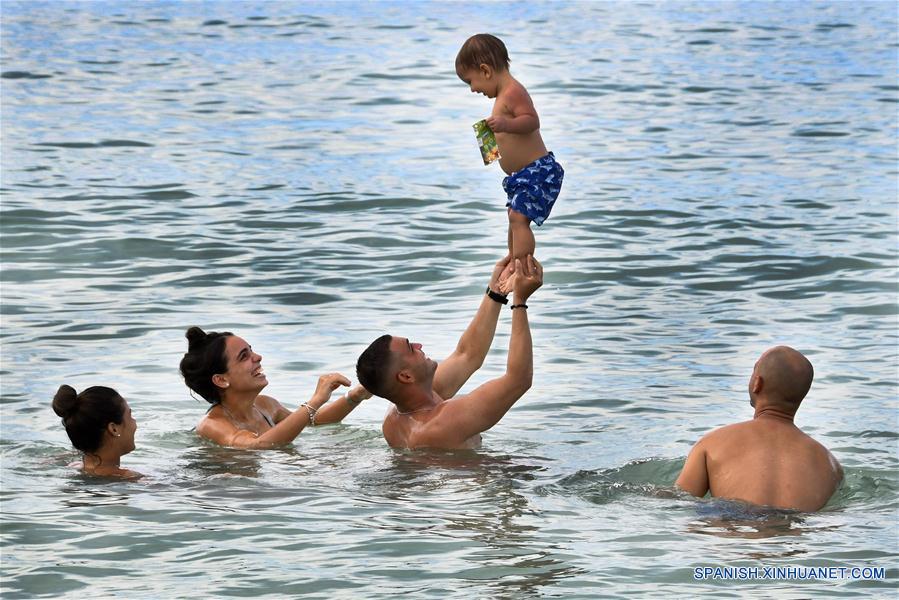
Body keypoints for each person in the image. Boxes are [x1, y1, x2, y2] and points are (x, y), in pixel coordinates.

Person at [356, 254, 541, 450]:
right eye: (411, 348)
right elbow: (518, 380)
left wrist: (496, 290)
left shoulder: (395, 417)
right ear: (406, 376)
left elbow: (468, 354)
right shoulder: (441, 424)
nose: (419, 346)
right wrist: (520, 301)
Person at [675, 346, 843, 512]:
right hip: (794, 534)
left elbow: (679, 501)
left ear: (757, 383)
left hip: (735, 530)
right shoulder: (831, 465)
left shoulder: (711, 444)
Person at [456, 33, 564, 262]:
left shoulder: (513, 91)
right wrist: (490, 142)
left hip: (538, 171)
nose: (473, 89)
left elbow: (532, 121)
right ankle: (514, 258)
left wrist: (506, 124)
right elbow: (506, 142)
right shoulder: (500, 100)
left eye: (470, 81)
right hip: (522, 176)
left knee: (518, 217)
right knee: (513, 216)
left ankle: (522, 265)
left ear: (485, 71)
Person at [179, 327, 370, 449]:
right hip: (223, 492)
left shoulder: (265, 405)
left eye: (252, 350)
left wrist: (354, 396)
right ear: (221, 380)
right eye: (244, 356)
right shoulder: (212, 424)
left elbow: (313, 421)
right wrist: (316, 399)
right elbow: (257, 445)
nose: (258, 357)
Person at [52, 384, 141, 479]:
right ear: (114, 429)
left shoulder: (74, 465)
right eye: (130, 416)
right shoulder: (131, 478)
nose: (135, 423)